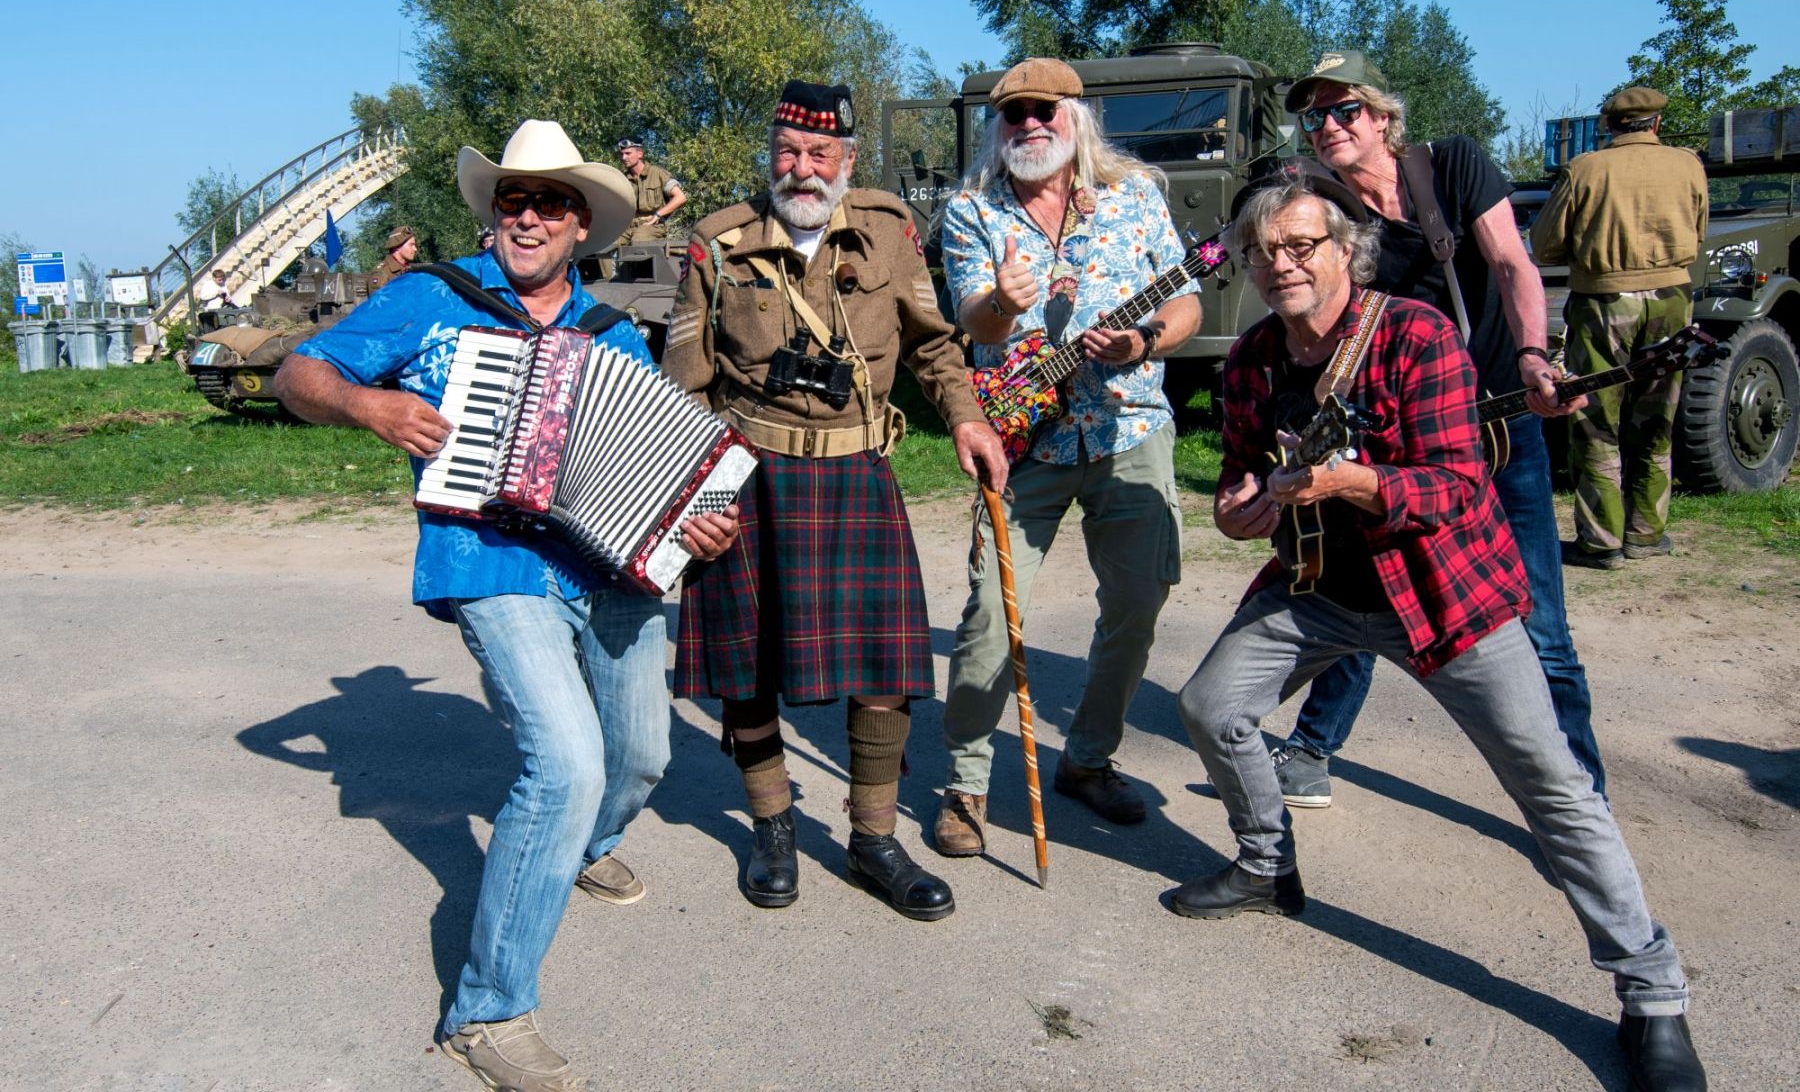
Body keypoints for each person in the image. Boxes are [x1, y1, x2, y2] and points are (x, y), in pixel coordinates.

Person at [1174, 176, 1705, 1092]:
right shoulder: (1254, 357)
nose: (1281, 264)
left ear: (1347, 252)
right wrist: (1237, 509)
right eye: (1264, 251)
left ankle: (1652, 994)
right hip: (1316, 587)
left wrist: (1353, 485)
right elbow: (1238, 476)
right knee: (1209, 705)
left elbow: (1458, 484)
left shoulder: (1415, 334)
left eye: (1302, 245)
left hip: (1443, 594)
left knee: (1552, 785)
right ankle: (1266, 864)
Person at [274, 119, 740, 1092]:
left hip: (609, 573)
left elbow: (665, 472)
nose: (526, 217)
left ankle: (580, 850)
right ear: (492, 217)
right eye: (511, 201)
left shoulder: (612, 333)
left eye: (549, 204)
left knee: (643, 754)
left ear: (581, 227)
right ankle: (487, 1010)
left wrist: (702, 525)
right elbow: (297, 373)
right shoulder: (431, 301)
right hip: (489, 562)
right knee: (565, 768)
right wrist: (370, 407)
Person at [662, 80, 1007, 921]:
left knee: (886, 670)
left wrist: (967, 419)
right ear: (770, 154)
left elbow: (934, 349)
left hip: (857, 474)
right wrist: (696, 490)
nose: (802, 167)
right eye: (787, 151)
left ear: (848, 162)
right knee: (748, 667)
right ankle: (773, 825)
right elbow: (685, 384)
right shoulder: (720, 243)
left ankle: (873, 839)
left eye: (820, 155)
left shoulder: (888, 233)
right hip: (747, 477)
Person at [1273, 49, 1606, 805]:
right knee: (1363, 597)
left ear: (1383, 118)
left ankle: (1582, 797)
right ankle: (1315, 747)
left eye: (1344, 109)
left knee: (1543, 628)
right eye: (1314, 115)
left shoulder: (1452, 166)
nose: (1326, 125)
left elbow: (1515, 266)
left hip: (1499, 425)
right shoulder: (1321, 212)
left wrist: (1530, 356)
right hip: (1402, 441)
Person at [931, 57, 1199, 856]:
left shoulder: (1136, 195)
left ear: (1077, 116)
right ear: (998, 127)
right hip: (1021, 440)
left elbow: (1185, 298)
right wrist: (1002, 303)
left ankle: (1088, 758)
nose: (1030, 125)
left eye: (1044, 109)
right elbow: (974, 323)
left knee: (1138, 604)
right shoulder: (972, 210)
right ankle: (968, 787)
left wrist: (1144, 339)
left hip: (1130, 427)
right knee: (990, 613)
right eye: (1013, 115)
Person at [1531, 86, 1709, 569]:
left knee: (1595, 420)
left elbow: (1545, 244)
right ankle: (1646, 533)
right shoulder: (1688, 164)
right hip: (1673, 300)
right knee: (1656, 419)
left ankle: (1602, 540)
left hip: (1603, 301)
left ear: (1609, 126)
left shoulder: (1585, 169)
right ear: (1655, 124)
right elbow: (1698, 231)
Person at [599, 139, 687, 278]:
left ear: (640, 154)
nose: (624, 158)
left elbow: (680, 198)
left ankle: (637, 284)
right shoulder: (623, 179)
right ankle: (611, 284)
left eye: (628, 153)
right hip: (627, 226)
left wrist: (658, 215)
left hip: (652, 225)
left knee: (638, 242)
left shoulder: (657, 173)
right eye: (621, 154)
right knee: (603, 243)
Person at [369, 225, 419, 291]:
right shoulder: (381, 274)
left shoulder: (410, 269)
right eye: (411, 245)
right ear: (397, 246)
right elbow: (379, 300)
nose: (415, 249)